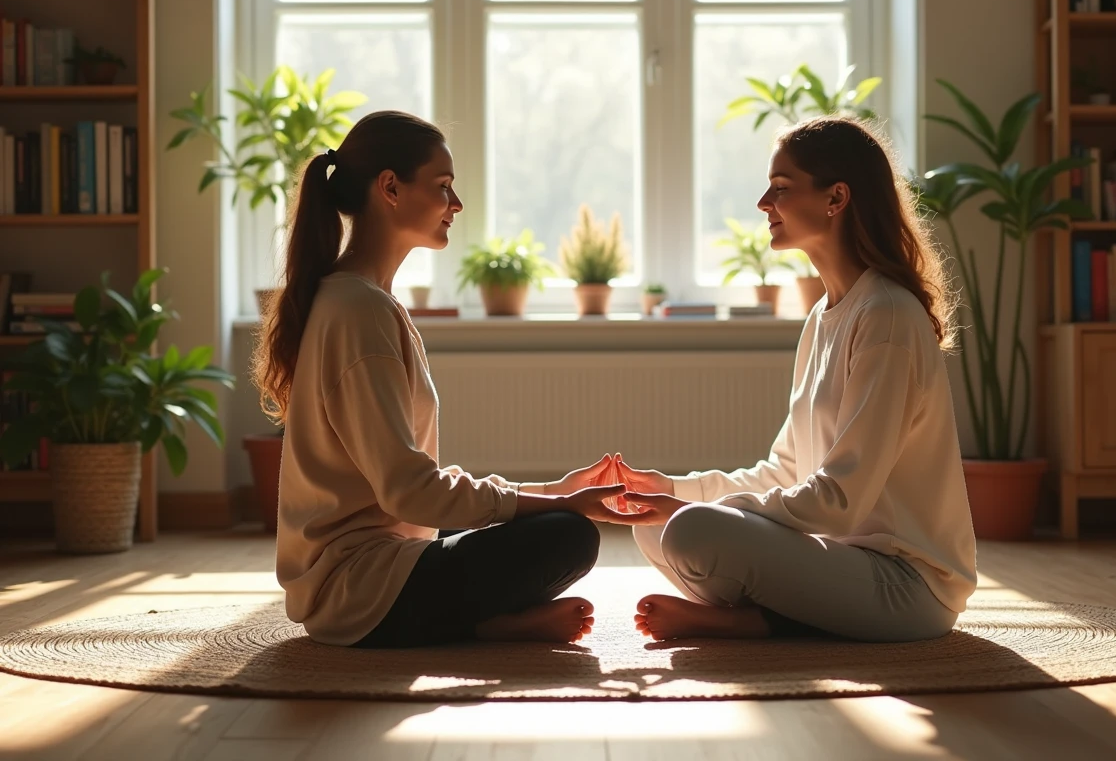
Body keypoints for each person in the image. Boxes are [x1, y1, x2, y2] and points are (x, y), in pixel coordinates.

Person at [253, 110, 643, 649]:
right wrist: (558, 506)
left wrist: (553, 490)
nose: (455, 205)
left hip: (385, 557)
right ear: (390, 188)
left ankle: (482, 622)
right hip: (358, 590)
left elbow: (411, 489)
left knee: (549, 521)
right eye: (443, 187)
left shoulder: (363, 299)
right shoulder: (357, 310)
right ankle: (481, 627)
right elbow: (411, 492)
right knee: (567, 536)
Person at [611, 116, 978, 643]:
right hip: (840, 563)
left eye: (780, 188)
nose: (763, 202)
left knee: (691, 527)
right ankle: (764, 618)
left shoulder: (888, 316)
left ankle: (756, 621)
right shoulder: (825, 317)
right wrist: (671, 489)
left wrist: (692, 508)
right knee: (652, 523)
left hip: (906, 585)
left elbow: (838, 501)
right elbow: (783, 469)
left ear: (836, 198)